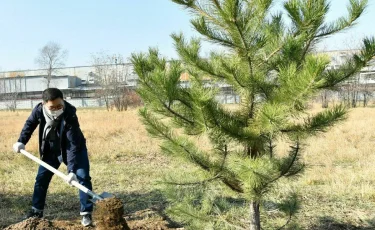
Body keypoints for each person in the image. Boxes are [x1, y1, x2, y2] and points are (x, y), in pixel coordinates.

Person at [12, 88, 93, 227]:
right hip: (51, 149)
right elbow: (29, 124)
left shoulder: (70, 114)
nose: (56, 109)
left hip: (74, 149)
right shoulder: (38, 110)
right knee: (41, 179)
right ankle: (36, 211)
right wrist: (21, 141)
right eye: (52, 107)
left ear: (63, 100)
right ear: (44, 104)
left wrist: (71, 170)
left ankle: (86, 213)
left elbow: (72, 144)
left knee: (82, 177)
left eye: (59, 105)